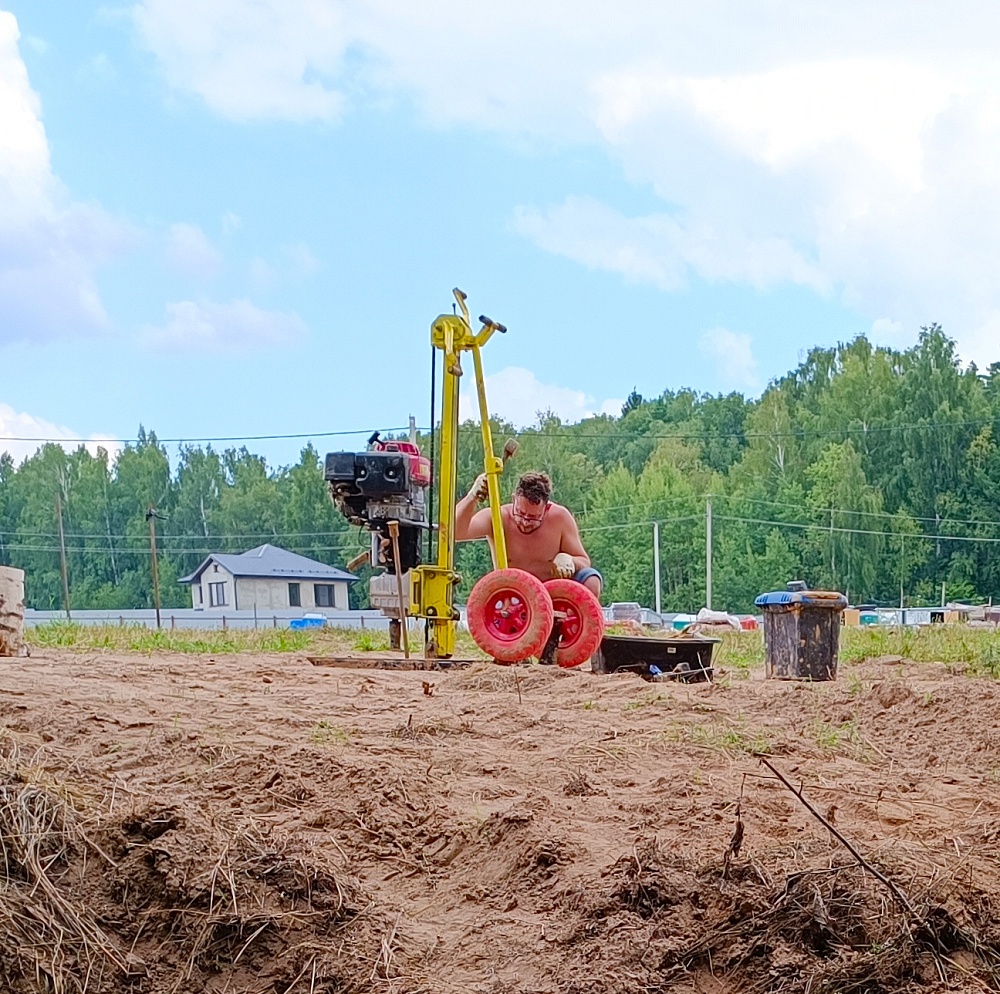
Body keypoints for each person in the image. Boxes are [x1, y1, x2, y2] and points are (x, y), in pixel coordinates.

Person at [454, 470, 602, 598]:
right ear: (514, 499)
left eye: (533, 518)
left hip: (553, 594)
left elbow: (584, 561)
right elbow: (456, 532)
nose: (525, 522)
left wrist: (569, 560)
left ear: (546, 508)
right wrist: (471, 497)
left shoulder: (560, 518)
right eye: (520, 513)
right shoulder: (498, 517)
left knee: (591, 580)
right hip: (513, 596)